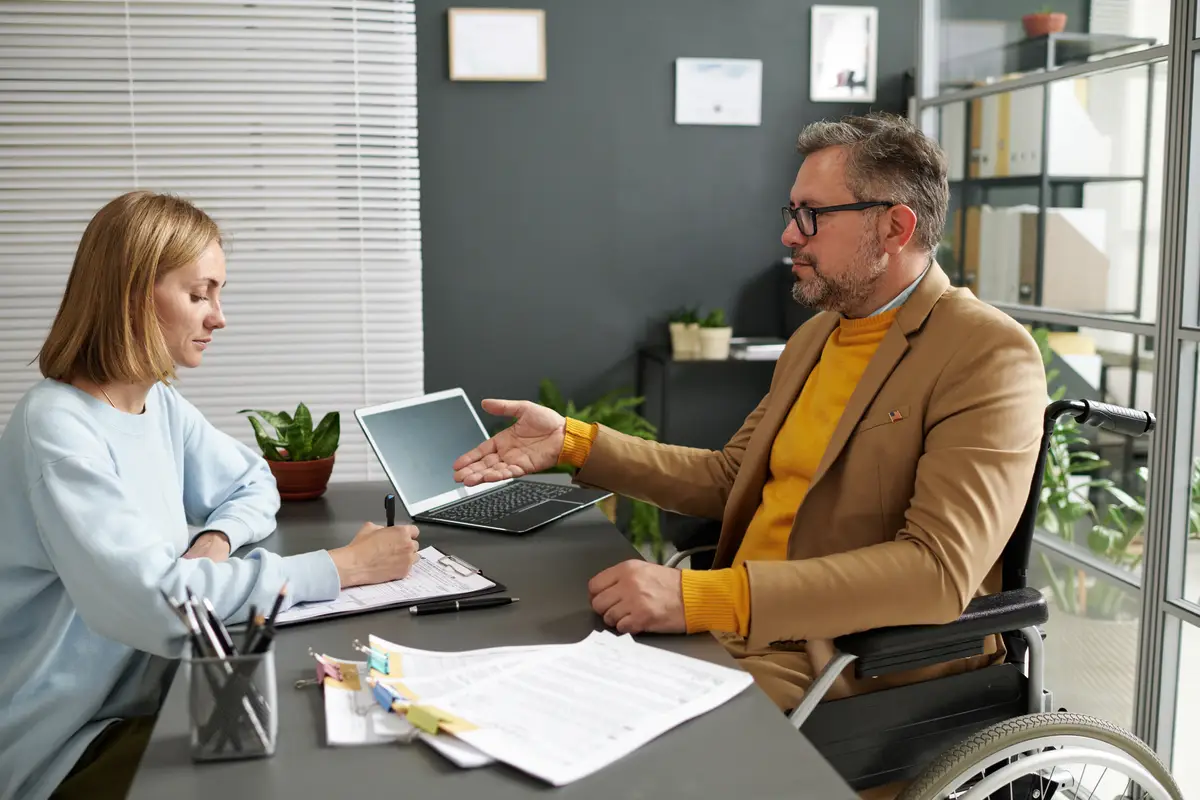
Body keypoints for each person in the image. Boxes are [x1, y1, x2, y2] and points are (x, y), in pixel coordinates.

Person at [453, 112, 1047, 715]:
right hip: (741, 630)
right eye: (790, 214)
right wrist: (573, 444)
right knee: (528, 680)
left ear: (895, 227)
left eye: (811, 215)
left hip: (841, 660)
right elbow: (731, 479)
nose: (790, 236)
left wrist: (704, 598)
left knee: (592, 722)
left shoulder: (986, 352)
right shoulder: (816, 338)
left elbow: (936, 571)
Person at [0, 191, 422, 800]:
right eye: (199, 294)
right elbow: (160, 607)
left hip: (155, 692)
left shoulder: (154, 401)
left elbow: (251, 480)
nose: (218, 317)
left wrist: (214, 542)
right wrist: (341, 567)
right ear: (133, 295)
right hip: (70, 742)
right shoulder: (60, 430)